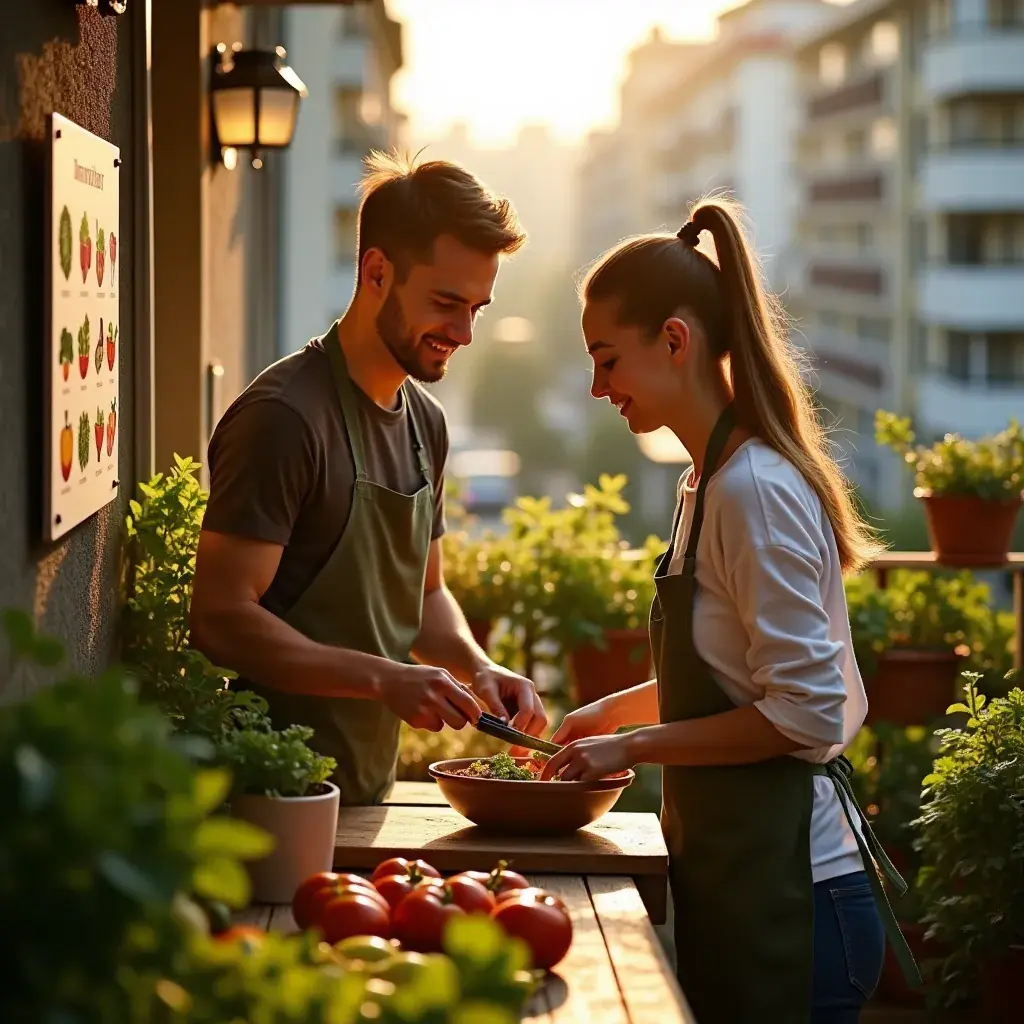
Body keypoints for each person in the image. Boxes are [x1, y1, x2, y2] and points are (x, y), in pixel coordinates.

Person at [540, 198, 919, 1023]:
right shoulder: (704, 486)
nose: (597, 387)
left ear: (674, 340)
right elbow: (736, 679)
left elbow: (808, 715)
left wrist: (634, 745)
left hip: (799, 893)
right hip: (737, 877)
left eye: (607, 360)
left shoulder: (754, 492)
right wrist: (609, 713)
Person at [190, 152, 547, 806]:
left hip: (366, 795)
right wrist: (383, 680)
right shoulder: (285, 418)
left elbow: (426, 597)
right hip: (268, 803)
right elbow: (219, 618)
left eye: (478, 308)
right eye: (446, 303)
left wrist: (479, 666)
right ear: (377, 272)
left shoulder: (426, 425)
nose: (464, 332)